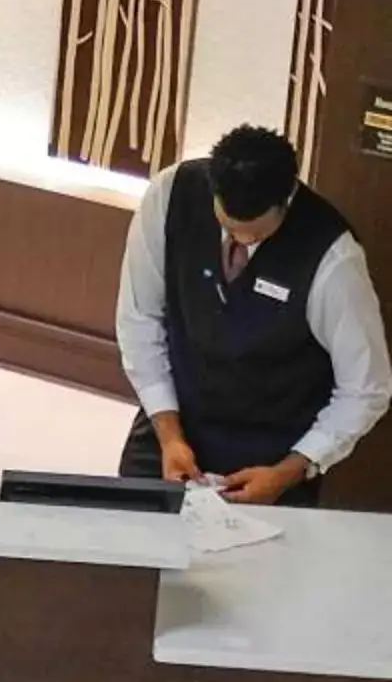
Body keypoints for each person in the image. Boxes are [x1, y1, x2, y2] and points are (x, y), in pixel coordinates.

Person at [115, 123, 388, 505]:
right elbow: (139, 320)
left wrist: (292, 469)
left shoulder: (334, 258)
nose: (241, 242)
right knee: (130, 536)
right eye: (229, 228)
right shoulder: (169, 197)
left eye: (257, 236)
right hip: (175, 419)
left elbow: (366, 388)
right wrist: (169, 434)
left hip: (273, 448)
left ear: (287, 198)